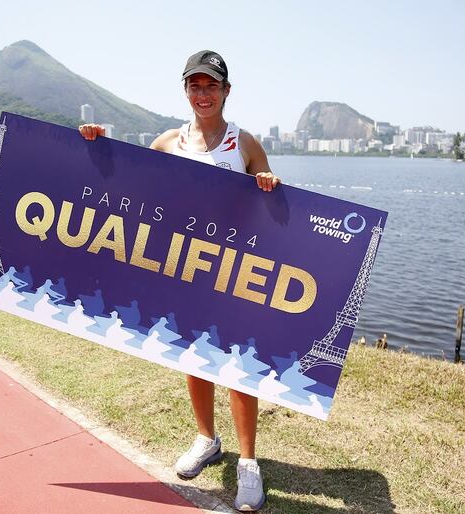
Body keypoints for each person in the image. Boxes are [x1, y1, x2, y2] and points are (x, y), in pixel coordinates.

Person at [79, 50, 278, 512]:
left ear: (227, 91)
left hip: (233, 272)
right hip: (185, 271)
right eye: (195, 85)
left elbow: (270, 206)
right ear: (186, 91)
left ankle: (248, 462)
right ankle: (207, 439)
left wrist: (267, 180)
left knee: (239, 363)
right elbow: (129, 182)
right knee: (197, 356)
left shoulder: (243, 143)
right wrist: (94, 145)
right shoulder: (169, 140)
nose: (203, 94)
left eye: (211, 86)